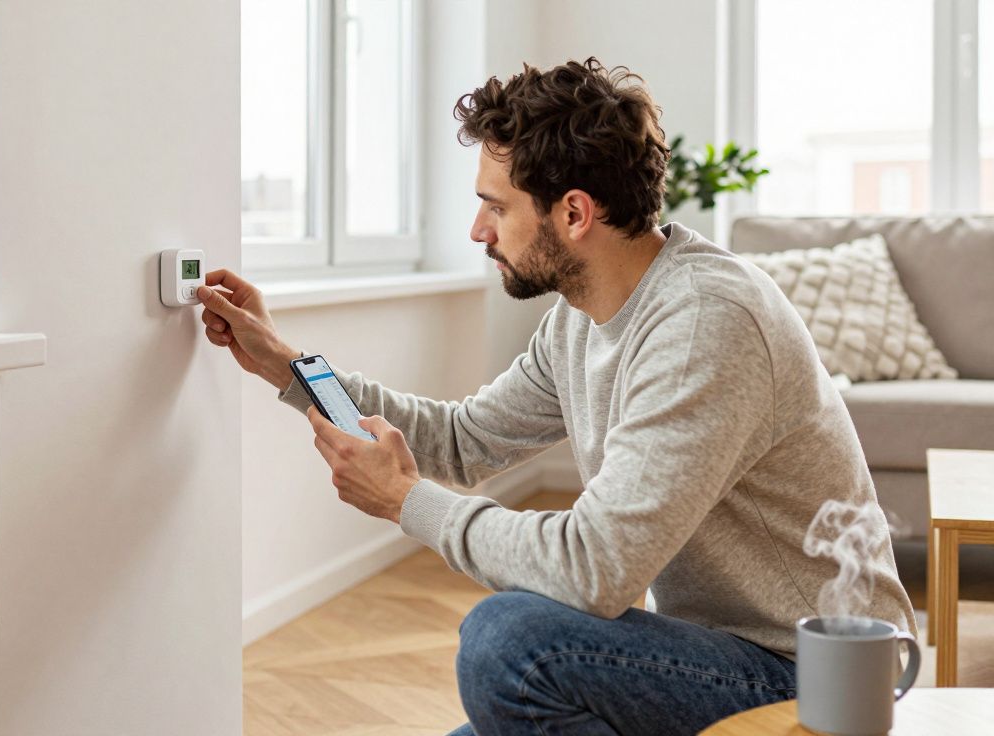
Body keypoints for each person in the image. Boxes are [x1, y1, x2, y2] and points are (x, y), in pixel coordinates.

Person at [200, 58, 916, 735]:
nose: (478, 231)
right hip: (707, 651)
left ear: (574, 213)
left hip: (812, 675)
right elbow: (461, 439)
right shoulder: (579, 318)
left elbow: (593, 570)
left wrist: (403, 500)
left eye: (495, 207)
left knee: (509, 642)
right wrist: (286, 368)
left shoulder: (704, 322)